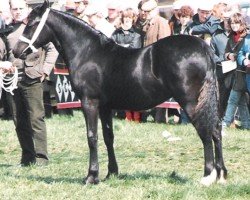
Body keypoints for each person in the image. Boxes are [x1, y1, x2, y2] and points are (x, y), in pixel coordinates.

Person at [4, 0, 59, 166]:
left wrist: (44, 70)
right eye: (15, 9)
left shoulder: (36, 27)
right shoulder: (6, 30)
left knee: (36, 118)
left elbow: (52, 49)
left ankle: (41, 158)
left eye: (21, 8)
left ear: (27, 8)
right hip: (12, 81)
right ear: (11, 10)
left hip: (32, 78)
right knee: (18, 120)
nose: (18, 11)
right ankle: (27, 158)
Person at [141, 0, 171, 123]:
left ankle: (160, 118)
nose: (145, 14)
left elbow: (163, 45)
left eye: (148, 12)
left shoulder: (162, 23)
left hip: (158, 64)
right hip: (148, 63)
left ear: (155, 10)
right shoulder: (148, 23)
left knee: (160, 90)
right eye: (144, 12)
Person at [111, 8, 142, 122]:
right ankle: (128, 116)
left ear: (133, 18)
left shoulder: (137, 34)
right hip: (119, 66)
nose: (127, 19)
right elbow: (111, 46)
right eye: (125, 17)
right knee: (124, 92)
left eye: (129, 17)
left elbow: (134, 49)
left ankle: (137, 118)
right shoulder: (116, 33)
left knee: (135, 93)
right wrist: (123, 47)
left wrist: (121, 47)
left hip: (133, 67)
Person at [222, 12, 250, 130]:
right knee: (241, 102)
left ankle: (225, 124)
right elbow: (226, 53)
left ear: (242, 23)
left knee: (233, 100)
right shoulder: (231, 37)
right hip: (235, 73)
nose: (234, 25)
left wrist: (240, 57)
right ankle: (246, 125)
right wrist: (229, 56)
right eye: (232, 23)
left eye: (236, 23)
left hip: (245, 73)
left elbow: (243, 53)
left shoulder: (247, 37)